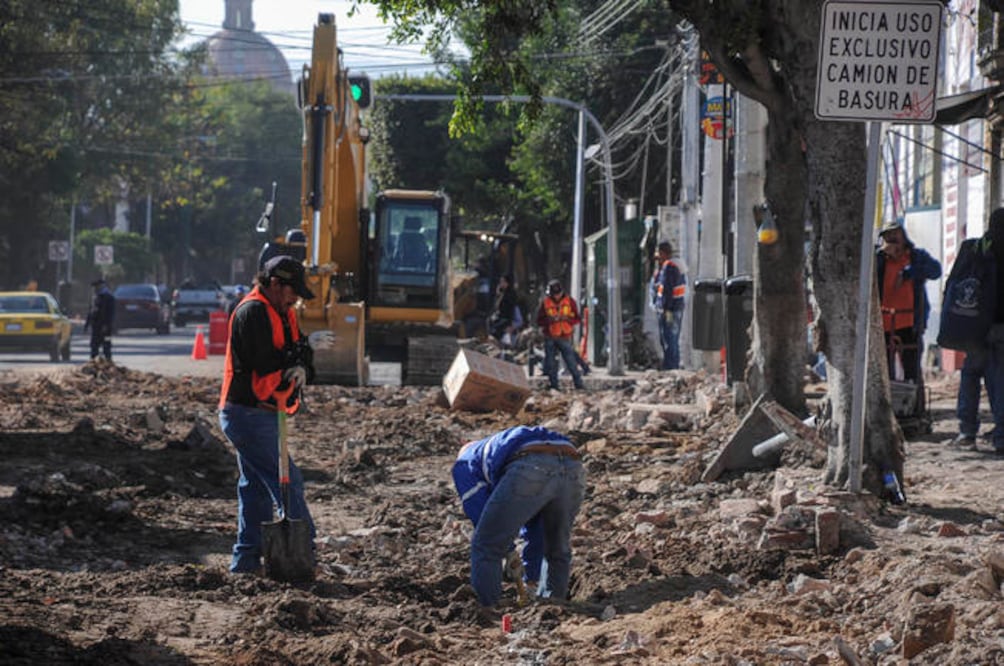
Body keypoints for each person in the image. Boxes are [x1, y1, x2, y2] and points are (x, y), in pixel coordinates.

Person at [217, 255, 335, 574]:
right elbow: (265, 362)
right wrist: (299, 354)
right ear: (274, 284)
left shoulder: (283, 312)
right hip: (246, 413)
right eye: (291, 290)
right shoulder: (252, 312)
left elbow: (295, 352)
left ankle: (245, 562)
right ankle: (303, 553)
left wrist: (302, 360)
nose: (296, 297)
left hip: (264, 412)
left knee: (254, 488)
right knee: (288, 481)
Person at [451, 425, 586, 607]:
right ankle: (552, 606)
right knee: (556, 547)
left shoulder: (464, 462)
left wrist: (506, 549)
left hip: (531, 463)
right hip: (573, 465)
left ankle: (489, 610)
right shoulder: (496, 449)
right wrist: (530, 575)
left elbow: (479, 511)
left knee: (486, 546)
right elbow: (534, 523)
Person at [875, 221, 942, 383]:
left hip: (910, 322)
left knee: (912, 370)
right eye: (887, 236)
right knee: (884, 372)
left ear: (903, 236)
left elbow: (936, 271)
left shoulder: (916, 256)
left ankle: (915, 406)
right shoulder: (879, 259)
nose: (892, 239)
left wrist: (908, 273)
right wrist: (879, 256)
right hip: (883, 323)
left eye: (895, 234)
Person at [536, 279, 584, 390]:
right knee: (551, 364)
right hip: (550, 337)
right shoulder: (545, 303)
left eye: (557, 294)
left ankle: (579, 384)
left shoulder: (570, 301)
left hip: (565, 337)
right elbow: (539, 321)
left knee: (571, 362)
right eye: (553, 294)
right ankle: (554, 385)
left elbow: (577, 318)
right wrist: (550, 320)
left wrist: (567, 319)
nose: (556, 296)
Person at [651, 241, 687, 370]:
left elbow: (666, 289)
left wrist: (665, 309)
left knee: (669, 339)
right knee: (672, 339)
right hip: (676, 307)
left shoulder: (669, 267)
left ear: (663, 253)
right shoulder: (677, 265)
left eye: (659, 255)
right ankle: (673, 366)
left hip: (669, 309)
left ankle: (670, 367)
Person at [489, 274, 523, 351]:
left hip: (507, 322)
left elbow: (517, 318)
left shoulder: (511, 296)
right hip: (500, 320)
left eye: (503, 282)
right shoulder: (502, 294)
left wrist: (512, 326)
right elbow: (497, 307)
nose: (501, 284)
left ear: (507, 283)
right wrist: (499, 295)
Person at [84, 278, 115, 361]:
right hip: (96, 327)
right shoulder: (95, 297)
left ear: (101, 286)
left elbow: (110, 314)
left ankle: (109, 364)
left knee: (107, 346)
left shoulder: (109, 297)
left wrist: (106, 325)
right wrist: (86, 325)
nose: (95, 289)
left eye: (96, 287)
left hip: (106, 329)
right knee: (94, 347)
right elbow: (91, 312)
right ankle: (93, 364)